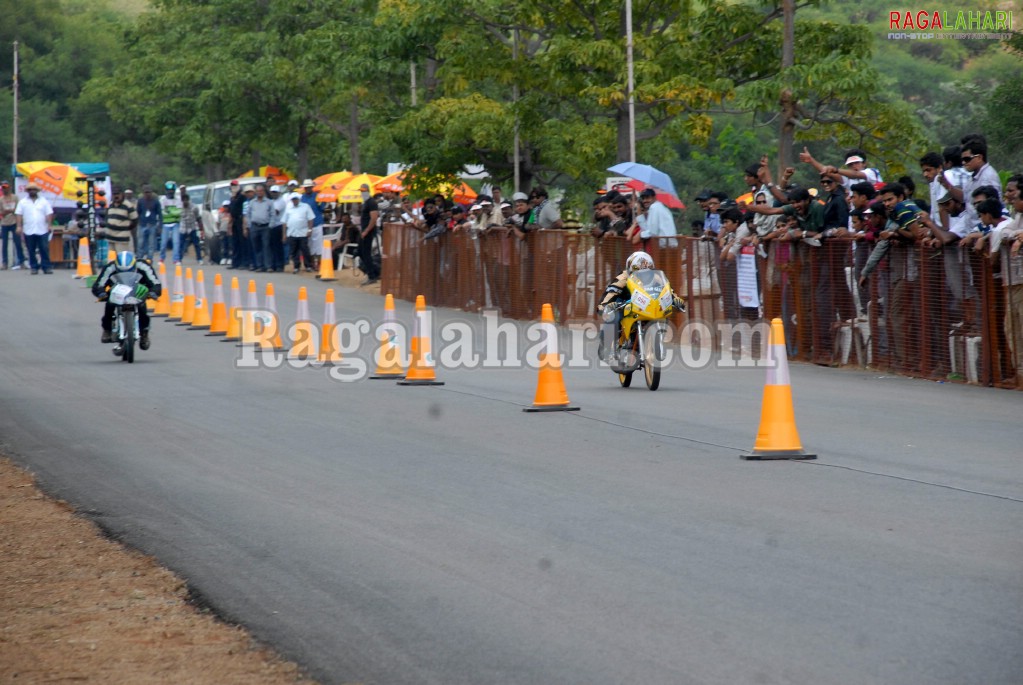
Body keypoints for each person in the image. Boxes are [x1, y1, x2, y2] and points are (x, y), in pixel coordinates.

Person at [596, 251, 685, 362]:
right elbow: (611, 292)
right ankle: (606, 345)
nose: (644, 274)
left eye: (647, 271)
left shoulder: (657, 278)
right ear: (631, 270)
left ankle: (658, 337)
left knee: (664, 310)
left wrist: (675, 299)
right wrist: (604, 306)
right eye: (639, 271)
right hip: (624, 303)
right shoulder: (623, 277)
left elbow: (667, 291)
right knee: (613, 316)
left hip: (648, 305)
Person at [92, 251, 161, 350]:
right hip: (117, 291)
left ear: (134, 265)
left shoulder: (143, 266)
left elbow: (155, 282)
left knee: (142, 307)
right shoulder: (110, 268)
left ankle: (144, 333)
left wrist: (153, 292)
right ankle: (107, 329)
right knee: (109, 305)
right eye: (121, 271)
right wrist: (101, 293)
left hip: (136, 290)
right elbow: (98, 285)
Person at [15, 183, 55, 274]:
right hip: (28, 229)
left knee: (44, 248)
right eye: (30, 189)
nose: (32, 191)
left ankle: (46, 267)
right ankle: (34, 267)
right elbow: (19, 214)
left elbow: (49, 213)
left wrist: (49, 225)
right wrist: (18, 226)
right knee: (30, 249)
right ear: (28, 191)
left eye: (34, 189)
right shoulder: (23, 202)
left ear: (37, 191)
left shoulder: (43, 201)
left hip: (42, 229)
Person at [282, 193, 315, 273]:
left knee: (305, 250)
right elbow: (284, 222)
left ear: (299, 199)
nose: (294, 200)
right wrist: (284, 234)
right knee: (294, 251)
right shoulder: (288, 208)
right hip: (292, 233)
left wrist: (310, 230)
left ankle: (308, 266)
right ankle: (296, 267)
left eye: (296, 199)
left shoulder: (305, 206)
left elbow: (310, 219)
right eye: (293, 199)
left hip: (303, 233)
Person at [357, 182, 381, 285]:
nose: (362, 193)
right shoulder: (366, 202)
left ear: (368, 191)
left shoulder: (371, 202)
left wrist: (366, 231)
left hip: (368, 231)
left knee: (366, 253)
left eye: (363, 191)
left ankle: (372, 275)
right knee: (360, 252)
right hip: (364, 231)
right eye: (361, 191)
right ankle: (372, 272)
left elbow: (374, 218)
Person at [1, 181, 26, 269]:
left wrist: (11, 211)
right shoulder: (1, 199)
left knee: (18, 243)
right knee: (4, 244)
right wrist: (8, 211)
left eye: (6, 187)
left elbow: (18, 210)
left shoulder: (15, 198)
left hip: (14, 222)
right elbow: (1, 212)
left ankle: (21, 262)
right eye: (3, 187)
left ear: (9, 187)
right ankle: (5, 263)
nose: (5, 189)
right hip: (4, 223)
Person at [159, 181, 182, 264]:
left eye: (172, 190)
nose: (170, 192)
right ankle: (161, 258)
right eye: (169, 190)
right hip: (165, 224)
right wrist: (173, 211)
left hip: (175, 223)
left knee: (176, 242)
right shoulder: (162, 200)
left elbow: (179, 212)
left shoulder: (178, 200)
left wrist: (169, 211)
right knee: (163, 243)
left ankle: (176, 259)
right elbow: (162, 213)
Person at [178, 192, 203, 263]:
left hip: (192, 227)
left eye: (186, 200)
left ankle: (199, 258)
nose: (185, 202)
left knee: (196, 244)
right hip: (183, 228)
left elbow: (198, 217)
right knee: (181, 244)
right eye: (184, 200)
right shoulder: (179, 208)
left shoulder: (194, 207)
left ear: (188, 200)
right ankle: (179, 259)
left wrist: (201, 227)